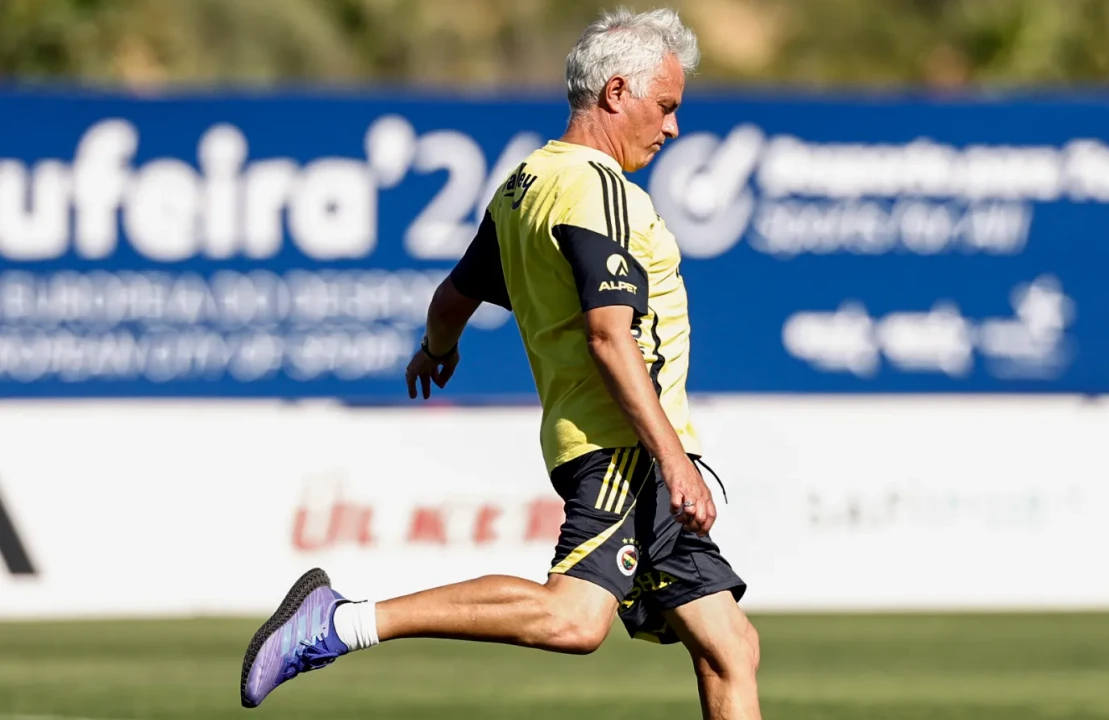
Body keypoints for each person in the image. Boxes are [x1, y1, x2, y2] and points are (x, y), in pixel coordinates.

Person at [240, 7, 761, 719]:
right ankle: (338, 622)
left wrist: (437, 348)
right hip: (625, 446)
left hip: (619, 445)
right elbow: (610, 337)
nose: (672, 128)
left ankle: (339, 621)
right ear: (616, 92)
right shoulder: (597, 186)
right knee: (574, 619)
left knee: (729, 646)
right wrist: (673, 460)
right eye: (666, 105)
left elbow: (453, 297)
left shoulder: (524, 184)